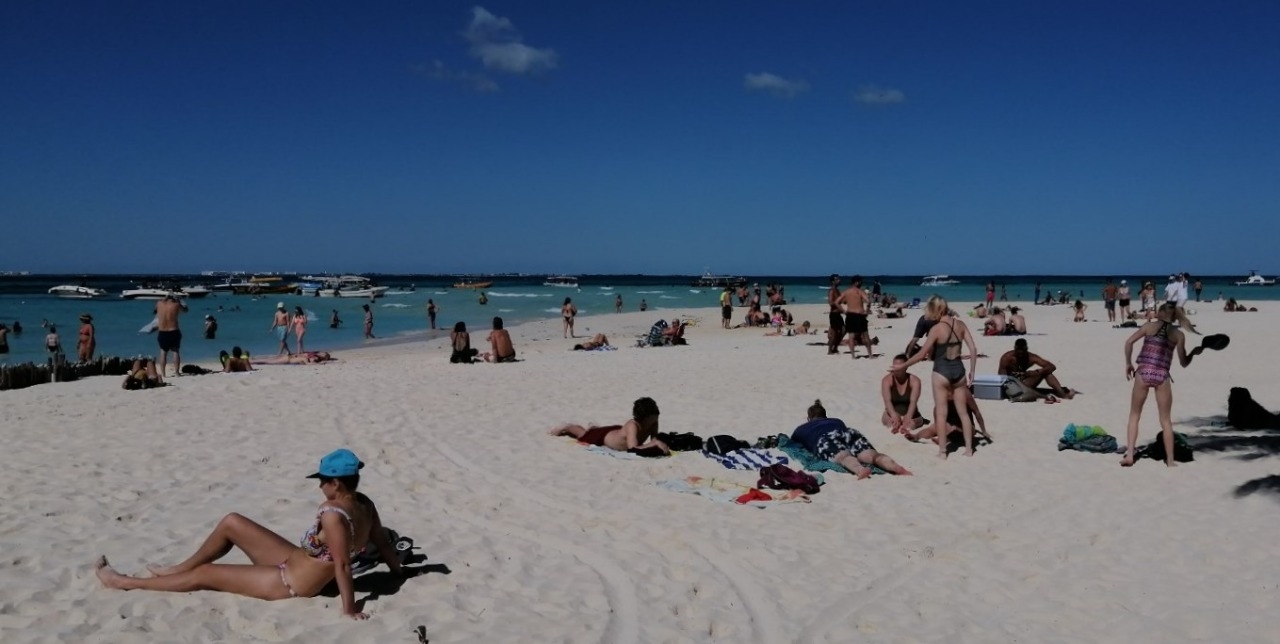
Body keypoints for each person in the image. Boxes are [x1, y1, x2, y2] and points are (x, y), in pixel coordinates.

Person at [95, 449, 406, 619]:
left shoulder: (333, 515)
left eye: (323, 480)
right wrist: (398, 572)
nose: (319, 485)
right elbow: (379, 540)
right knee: (233, 521)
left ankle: (123, 582)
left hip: (289, 583)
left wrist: (349, 609)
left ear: (336, 483)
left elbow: (341, 565)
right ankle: (178, 569)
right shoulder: (364, 503)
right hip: (291, 561)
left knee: (207, 574)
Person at [892, 295, 980, 458]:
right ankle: (969, 449)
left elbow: (921, 354)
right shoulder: (960, 324)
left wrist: (904, 365)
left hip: (941, 371)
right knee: (963, 413)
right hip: (959, 370)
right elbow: (973, 349)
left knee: (941, 413)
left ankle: (943, 451)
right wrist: (972, 371)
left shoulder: (937, 329)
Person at [1121, 302, 1204, 467]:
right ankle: (1170, 461)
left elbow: (1128, 342)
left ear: (1159, 313)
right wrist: (1194, 353)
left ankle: (1130, 455)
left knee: (1134, 415)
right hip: (1162, 375)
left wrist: (1128, 363)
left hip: (1143, 372)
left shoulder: (1148, 326)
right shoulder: (1178, 334)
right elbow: (1183, 363)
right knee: (1165, 420)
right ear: (1175, 317)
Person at [792, 399, 911, 479]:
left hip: (826, 438)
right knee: (872, 455)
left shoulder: (802, 429)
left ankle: (860, 470)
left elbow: (792, 444)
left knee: (843, 457)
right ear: (825, 416)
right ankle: (896, 467)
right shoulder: (836, 420)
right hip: (848, 432)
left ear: (808, 418)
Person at [549, 397, 670, 455]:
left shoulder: (653, 422)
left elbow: (654, 439)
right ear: (646, 417)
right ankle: (568, 426)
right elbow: (632, 448)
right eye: (654, 415)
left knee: (593, 431)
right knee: (584, 435)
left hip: (616, 432)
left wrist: (656, 442)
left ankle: (594, 427)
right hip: (605, 438)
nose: (657, 417)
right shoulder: (633, 425)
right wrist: (654, 443)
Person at [998, 338, 1075, 401]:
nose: (1020, 355)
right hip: (1012, 385)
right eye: (1018, 353)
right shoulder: (1007, 358)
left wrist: (1037, 372)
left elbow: (1052, 366)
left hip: (1025, 382)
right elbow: (1001, 378)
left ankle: (1061, 393)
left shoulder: (1031, 357)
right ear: (1015, 349)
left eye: (1022, 353)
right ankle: (1051, 393)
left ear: (1026, 349)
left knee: (1047, 372)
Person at [882, 354, 926, 434]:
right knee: (891, 424)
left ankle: (904, 427)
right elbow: (887, 401)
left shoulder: (915, 381)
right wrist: (893, 415)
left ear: (906, 367)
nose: (896, 369)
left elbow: (913, 402)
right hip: (892, 412)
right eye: (894, 366)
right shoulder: (886, 380)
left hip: (911, 412)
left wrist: (908, 416)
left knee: (910, 426)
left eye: (899, 366)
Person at [835, 275, 875, 359]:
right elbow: (868, 301)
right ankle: (870, 355)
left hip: (850, 315)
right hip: (860, 315)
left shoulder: (846, 292)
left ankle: (853, 355)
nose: (861, 284)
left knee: (851, 336)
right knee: (865, 335)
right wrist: (867, 311)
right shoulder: (860, 291)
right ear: (856, 282)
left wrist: (844, 311)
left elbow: (836, 302)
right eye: (860, 282)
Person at [825, 274, 845, 355]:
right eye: (837, 279)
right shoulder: (832, 290)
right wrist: (837, 304)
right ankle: (830, 350)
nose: (839, 280)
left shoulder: (837, 290)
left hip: (838, 314)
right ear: (833, 281)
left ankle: (835, 348)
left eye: (839, 279)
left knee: (843, 330)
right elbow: (830, 302)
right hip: (834, 314)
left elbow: (842, 300)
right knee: (834, 333)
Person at [257, 351, 336, 365]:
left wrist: (324, 363)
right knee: (268, 360)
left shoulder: (315, 359)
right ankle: (251, 361)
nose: (322, 353)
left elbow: (309, 364)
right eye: (324, 353)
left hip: (289, 359)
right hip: (290, 357)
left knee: (268, 361)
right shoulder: (314, 354)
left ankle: (251, 361)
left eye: (324, 354)